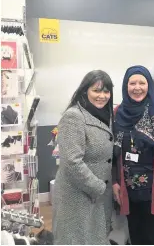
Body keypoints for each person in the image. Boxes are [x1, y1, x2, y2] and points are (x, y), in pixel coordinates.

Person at [112, 65, 154, 245]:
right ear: (126, 85)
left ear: (149, 85)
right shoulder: (118, 113)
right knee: (136, 236)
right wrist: (116, 181)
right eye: (132, 83)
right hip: (129, 188)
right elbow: (115, 152)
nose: (137, 87)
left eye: (142, 82)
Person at [52, 70, 114, 245]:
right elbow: (71, 162)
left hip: (95, 197)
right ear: (85, 90)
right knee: (76, 239)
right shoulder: (74, 116)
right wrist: (98, 187)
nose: (102, 96)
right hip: (77, 197)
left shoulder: (104, 115)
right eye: (96, 90)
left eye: (106, 91)